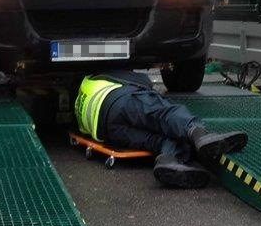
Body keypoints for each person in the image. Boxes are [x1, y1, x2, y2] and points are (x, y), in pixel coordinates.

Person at [73, 70, 247, 189]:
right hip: (122, 102)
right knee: (166, 114)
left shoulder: (83, 95)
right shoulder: (110, 75)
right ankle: (200, 134)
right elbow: (144, 84)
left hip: (110, 131)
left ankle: (168, 161)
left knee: (161, 139)